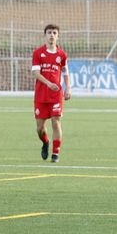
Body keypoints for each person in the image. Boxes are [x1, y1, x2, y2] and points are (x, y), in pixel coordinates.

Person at [32, 24, 71, 163]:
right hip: (41, 96)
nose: (52, 35)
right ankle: (45, 142)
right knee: (40, 128)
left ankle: (55, 154)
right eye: (49, 32)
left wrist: (68, 88)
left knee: (56, 122)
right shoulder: (38, 53)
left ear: (58, 36)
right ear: (45, 35)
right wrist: (48, 84)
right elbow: (36, 73)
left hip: (56, 96)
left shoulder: (62, 54)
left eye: (54, 33)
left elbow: (66, 72)